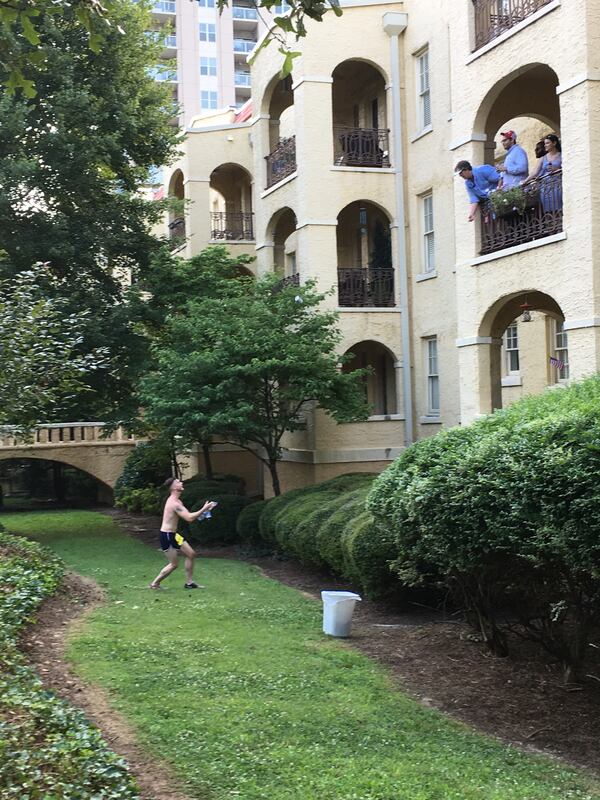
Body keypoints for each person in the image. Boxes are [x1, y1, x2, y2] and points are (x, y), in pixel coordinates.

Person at [149, 477, 217, 590]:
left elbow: (188, 515)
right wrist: (204, 508)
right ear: (174, 487)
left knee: (191, 554)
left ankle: (189, 583)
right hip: (167, 536)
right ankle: (154, 584)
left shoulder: (178, 501)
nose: (181, 483)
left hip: (174, 535)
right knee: (174, 564)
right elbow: (189, 518)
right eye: (178, 482)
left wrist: (204, 511)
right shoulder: (174, 503)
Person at [523, 133, 562, 213]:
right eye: (545, 143)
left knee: (558, 209)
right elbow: (535, 171)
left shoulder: (561, 155)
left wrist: (557, 168)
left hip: (557, 186)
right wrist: (525, 181)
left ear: (554, 143)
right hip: (546, 187)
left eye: (547, 143)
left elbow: (567, 168)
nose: (545, 145)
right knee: (548, 211)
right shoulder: (543, 158)